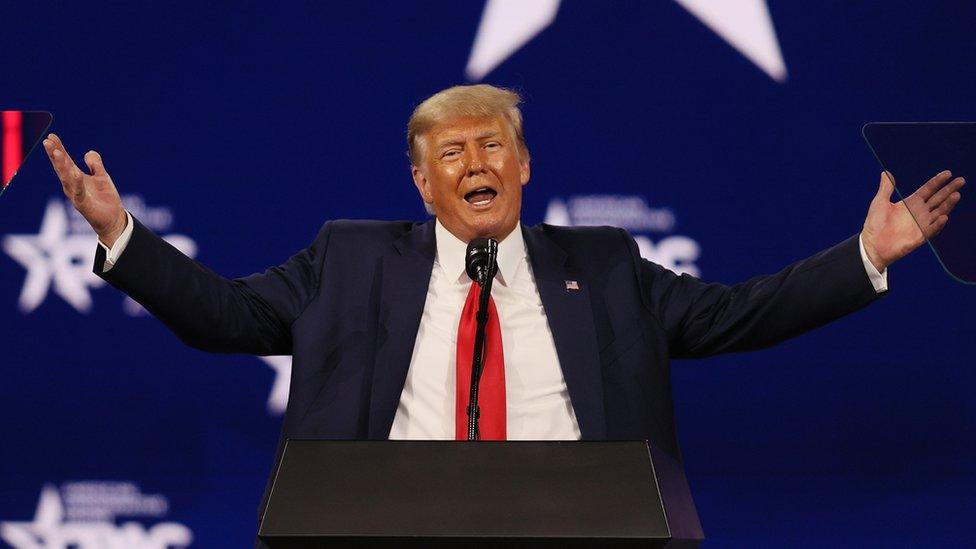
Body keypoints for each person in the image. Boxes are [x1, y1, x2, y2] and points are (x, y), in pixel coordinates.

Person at [43, 83, 963, 530]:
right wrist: (125, 234)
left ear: (525, 167)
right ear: (421, 180)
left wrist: (865, 257)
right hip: (383, 530)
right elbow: (224, 318)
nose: (476, 164)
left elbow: (738, 314)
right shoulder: (350, 259)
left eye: (493, 146)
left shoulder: (601, 265)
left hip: (579, 529)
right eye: (452, 153)